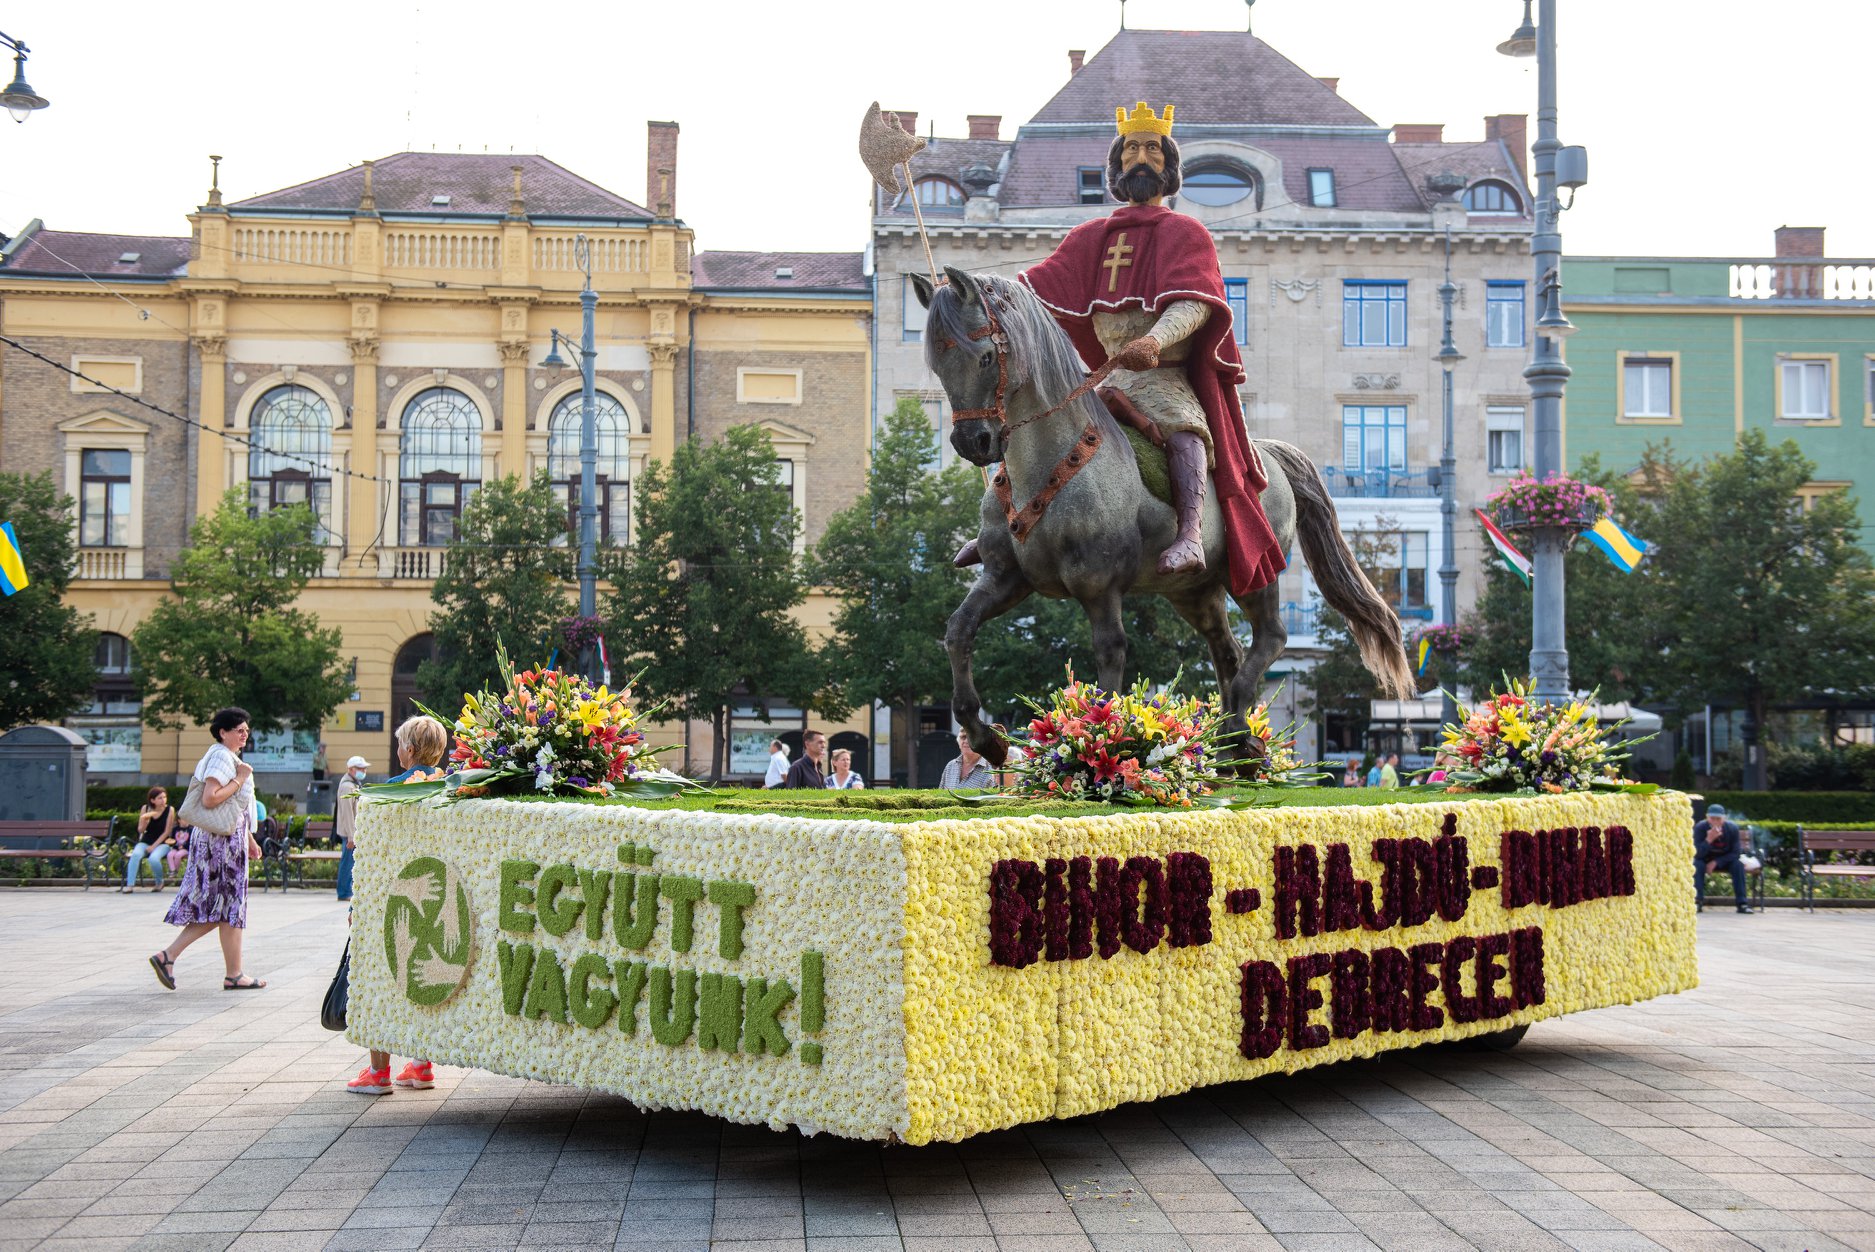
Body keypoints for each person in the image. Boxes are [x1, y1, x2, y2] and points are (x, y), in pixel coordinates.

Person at [953, 100, 1284, 595]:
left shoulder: (1185, 232)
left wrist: (1154, 340)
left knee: (1181, 428)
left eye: (1152, 148)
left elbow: (1195, 304)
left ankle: (1190, 533)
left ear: (1168, 165)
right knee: (1037, 421)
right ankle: (1002, 528)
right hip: (1106, 372)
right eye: (1131, 148)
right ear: (1117, 164)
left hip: (1162, 373)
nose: (1141, 157)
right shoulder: (1090, 238)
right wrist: (970, 292)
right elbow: (1031, 288)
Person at [349, 716, 449, 1095]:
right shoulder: (449, 788)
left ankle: (378, 1073)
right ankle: (421, 1065)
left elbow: (372, 851)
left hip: (395, 896)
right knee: (422, 977)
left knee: (381, 980)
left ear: (408, 750)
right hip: (436, 893)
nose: (396, 750)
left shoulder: (391, 791)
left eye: (399, 744)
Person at [148, 707, 266, 992]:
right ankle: (172, 956)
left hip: (226, 839)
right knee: (225, 907)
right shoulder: (222, 758)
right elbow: (211, 798)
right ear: (222, 732)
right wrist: (240, 778)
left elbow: (236, 808)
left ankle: (232, 972)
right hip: (220, 844)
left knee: (228, 908)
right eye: (238, 730)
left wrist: (249, 839)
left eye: (246, 730)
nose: (244, 734)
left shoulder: (226, 757)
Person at [1695, 803, 1751, 915]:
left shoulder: (1732, 828)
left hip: (1725, 860)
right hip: (1705, 859)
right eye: (1712, 818)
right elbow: (1697, 854)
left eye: (1718, 819)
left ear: (1724, 819)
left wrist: (1716, 862)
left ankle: (1742, 904)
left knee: (1738, 865)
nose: (1715, 821)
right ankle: (1697, 901)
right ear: (1707, 818)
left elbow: (1735, 853)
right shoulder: (1700, 827)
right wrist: (1709, 839)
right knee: (1697, 864)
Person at [122, 785, 178, 893]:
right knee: (136, 855)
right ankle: (130, 885)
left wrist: (154, 846)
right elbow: (140, 830)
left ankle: (159, 882)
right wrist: (146, 822)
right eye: (160, 798)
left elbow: (167, 831)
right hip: (146, 841)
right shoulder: (146, 808)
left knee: (153, 858)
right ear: (152, 800)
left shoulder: (169, 810)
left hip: (163, 843)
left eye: (164, 797)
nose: (163, 800)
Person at [334, 754, 368, 902]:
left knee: (349, 861)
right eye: (360, 768)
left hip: (351, 831)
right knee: (348, 862)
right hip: (350, 832)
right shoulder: (348, 787)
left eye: (364, 768)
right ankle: (344, 892)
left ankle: (346, 890)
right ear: (351, 769)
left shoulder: (352, 784)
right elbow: (347, 813)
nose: (363, 771)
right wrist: (351, 836)